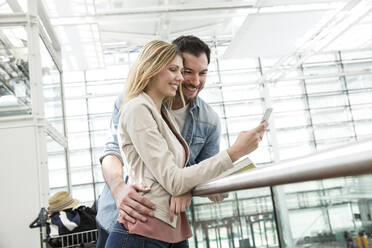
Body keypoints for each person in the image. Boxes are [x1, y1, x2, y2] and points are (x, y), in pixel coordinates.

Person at [95, 36, 265, 247]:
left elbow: (192, 173)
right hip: (130, 216)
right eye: (184, 71)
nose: (194, 81)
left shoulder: (202, 119)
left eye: (202, 73)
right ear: (156, 68)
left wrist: (188, 185)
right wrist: (118, 188)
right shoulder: (135, 105)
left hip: (169, 226)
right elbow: (114, 151)